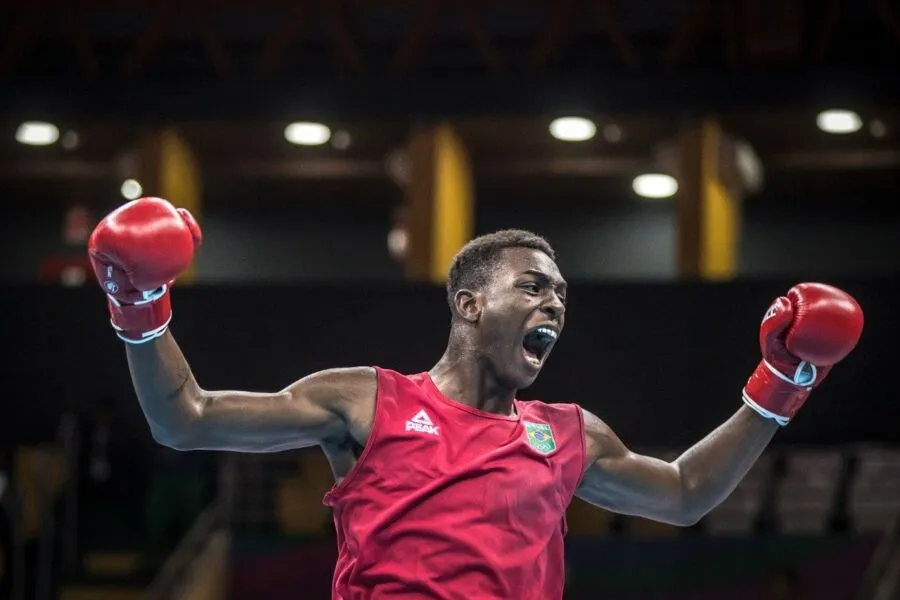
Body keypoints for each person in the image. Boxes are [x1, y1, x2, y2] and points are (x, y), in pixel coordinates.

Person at [86, 197, 864, 600]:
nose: (554, 305)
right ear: (469, 306)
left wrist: (781, 385)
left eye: (562, 294)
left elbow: (688, 492)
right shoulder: (366, 402)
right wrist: (142, 307)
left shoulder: (568, 436)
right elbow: (184, 420)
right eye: (532, 287)